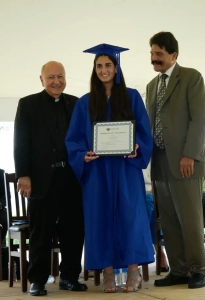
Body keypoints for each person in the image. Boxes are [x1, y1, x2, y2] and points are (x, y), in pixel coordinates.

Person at [65, 43, 155, 293]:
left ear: (116, 68)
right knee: (99, 217)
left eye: (108, 65)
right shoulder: (85, 102)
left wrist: (136, 147)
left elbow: (144, 135)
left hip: (126, 169)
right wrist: (83, 155)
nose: (103, 70)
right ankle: (107, 273)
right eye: (99, 66)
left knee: (131, 216)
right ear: (94, 70)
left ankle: (133, 271)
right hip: (97, 170)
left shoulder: (132, 96)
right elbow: (73, 139)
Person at [14, 61, 87, 296]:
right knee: (40, 233)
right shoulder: (27, 104)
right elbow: (21, 142)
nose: (57, 81)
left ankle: (69, 277)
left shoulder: (76, 103)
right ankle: (37, 280)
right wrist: (23, 174)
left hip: (71, 179)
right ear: (41, 80)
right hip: (40, 180)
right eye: (51, 77)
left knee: (74, 231)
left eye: (61, 76)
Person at [145, 31, 205, 289]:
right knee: (169, 220)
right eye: (152, 54)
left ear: (174, 55)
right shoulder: (152, 86)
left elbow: (201, 119)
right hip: (160, 162)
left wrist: (190, 155)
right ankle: (179, 269)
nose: (154, 59)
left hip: (186, 162)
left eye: (159, 54)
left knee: (190, 219)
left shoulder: (191, 77)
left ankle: (198, 269)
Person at [143, 163, 169, 272]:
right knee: (150, 205)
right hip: (136, 191)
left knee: (153, 205)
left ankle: (152, 248)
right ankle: (158, 249)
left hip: (155, 191)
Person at [0, 168, 7, 247]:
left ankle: (1, 246)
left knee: (4, 215)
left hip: (0, 210)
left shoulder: (0, 173)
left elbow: (5, 196)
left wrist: (0, 203)